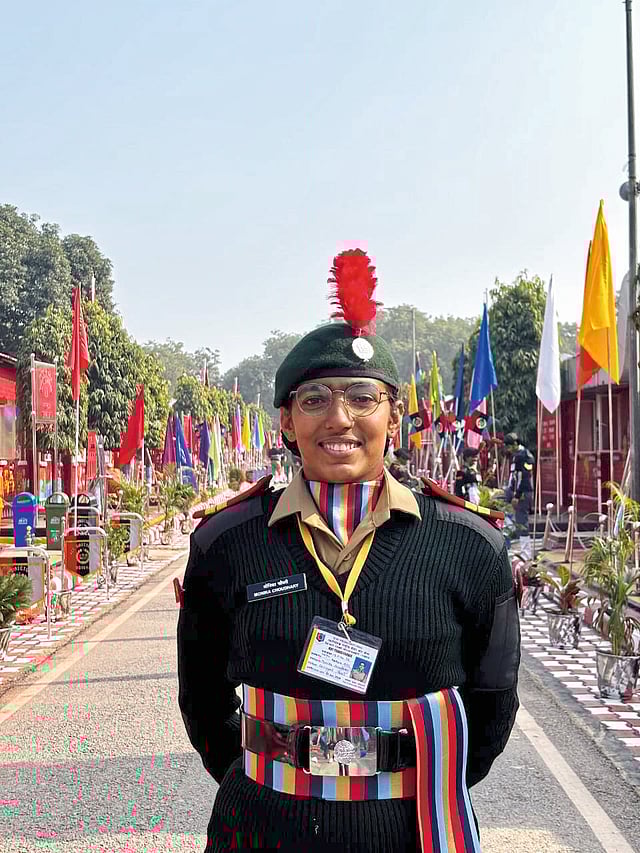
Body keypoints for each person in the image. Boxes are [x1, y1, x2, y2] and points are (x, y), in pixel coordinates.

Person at [177, 249, 520, 852]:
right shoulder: (226, 543)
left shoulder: (470, 544)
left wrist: (413, 783)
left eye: (363, 397)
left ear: (394, 416)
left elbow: (491, 705)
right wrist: (279, 778)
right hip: (262, 828)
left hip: (411, 830)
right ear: (286, 422)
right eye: (314, 399)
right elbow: (202, 699)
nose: (339, 418)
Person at [503, 432, 535, 536]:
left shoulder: (523, 456)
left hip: (522, 492)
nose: (508, 449)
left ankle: (524, 545)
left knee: (522, 521)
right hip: (514, 490)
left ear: (515, 443)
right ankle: (510, 532)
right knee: (500, 505)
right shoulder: (518, 455)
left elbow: (523, 477)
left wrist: (517, 495)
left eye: (509, 446)